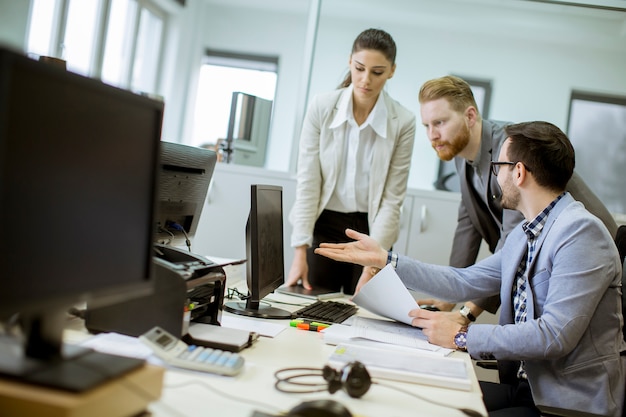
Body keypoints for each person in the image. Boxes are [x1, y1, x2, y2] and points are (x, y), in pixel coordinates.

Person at [315, 121, 625, 417]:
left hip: (564, 403)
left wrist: (464, 336)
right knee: (426, 402)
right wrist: (385, 259)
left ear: (518, 173)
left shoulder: (580, 233)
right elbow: (463, 281)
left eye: (498, 168)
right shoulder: (525, 233)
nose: (495, 178)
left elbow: (553, 335)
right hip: (524, 387)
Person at [416, 75, 618, 324]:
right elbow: (467, 225)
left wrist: (466, 314)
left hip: (587, 259)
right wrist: (447, 296)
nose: (432, 135)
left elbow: (514, 240)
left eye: (440, 122)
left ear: (470, 116)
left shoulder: (509, 149)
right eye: (426, 125)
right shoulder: (460, 153)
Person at [285, 28, 416, 295]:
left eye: (377, 72)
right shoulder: (321, 107)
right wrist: (300, 250)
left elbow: (392, 200)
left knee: (366, 311)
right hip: (324, 226)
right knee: (313, 308)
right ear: (350, 62)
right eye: (359, 68)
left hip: (372, 230)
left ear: (391, 71)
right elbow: (308, 181)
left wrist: (371, 267)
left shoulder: (403, 122)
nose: (365, 79)